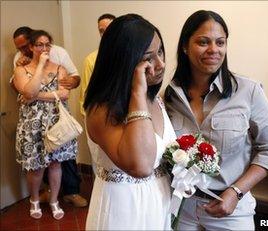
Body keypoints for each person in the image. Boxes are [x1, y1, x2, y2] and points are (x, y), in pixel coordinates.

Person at [165, 10, 268, 230]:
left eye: (220, 42)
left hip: (231, 210)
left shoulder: (249, 91)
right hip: (182, 207)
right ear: (185, 46)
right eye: (203, 42)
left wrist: (236, 192)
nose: (213, 50)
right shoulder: (170, 96)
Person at [84, 14, 175, 230]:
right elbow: (141, 166)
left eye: (160, 51)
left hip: (159, 199)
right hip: (124, 208)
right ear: (124, 61)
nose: (161, 64)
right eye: (148, 58)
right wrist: (137, 90)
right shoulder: (101, 110)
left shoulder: (156, 99)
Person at [12, 26, 87, 208]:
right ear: (31, 47)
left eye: (47, 45)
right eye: (39, 45)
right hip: (33, 124)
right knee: (36, 167)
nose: (44, 49)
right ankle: (35, 200)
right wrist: (38, 69)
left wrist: (34, 96)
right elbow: (25, 89)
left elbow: (64, 93)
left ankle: (60, 198)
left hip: (56, 121)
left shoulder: (60, 58)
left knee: (56, 163)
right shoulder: (19, 64)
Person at [79, 13, 115, 174]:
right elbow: (86, 94)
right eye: (101, 30)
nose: (105, 33)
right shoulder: (91, 60)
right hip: (99, 116)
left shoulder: (130, 56)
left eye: (109, 29)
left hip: (123, 115)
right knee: (100, 161)